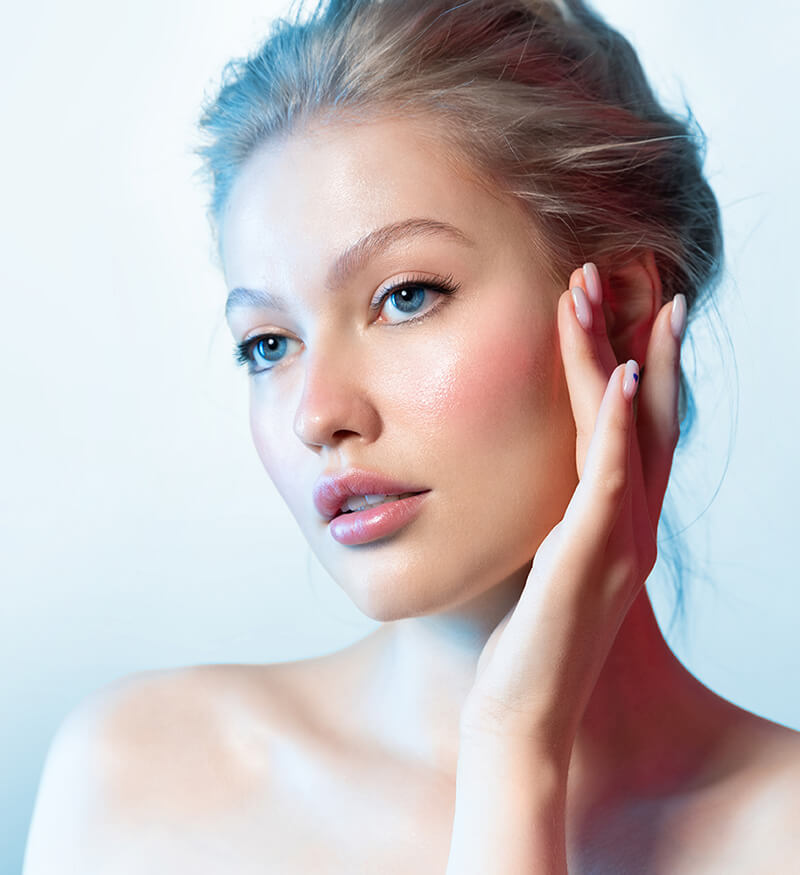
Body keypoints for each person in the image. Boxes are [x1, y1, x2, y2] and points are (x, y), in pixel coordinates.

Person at [23, 0, 800, 871]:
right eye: (268, 344)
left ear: (616, 309)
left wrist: (514, 746)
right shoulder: (139, 782)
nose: (318, 415)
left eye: (406, 296)